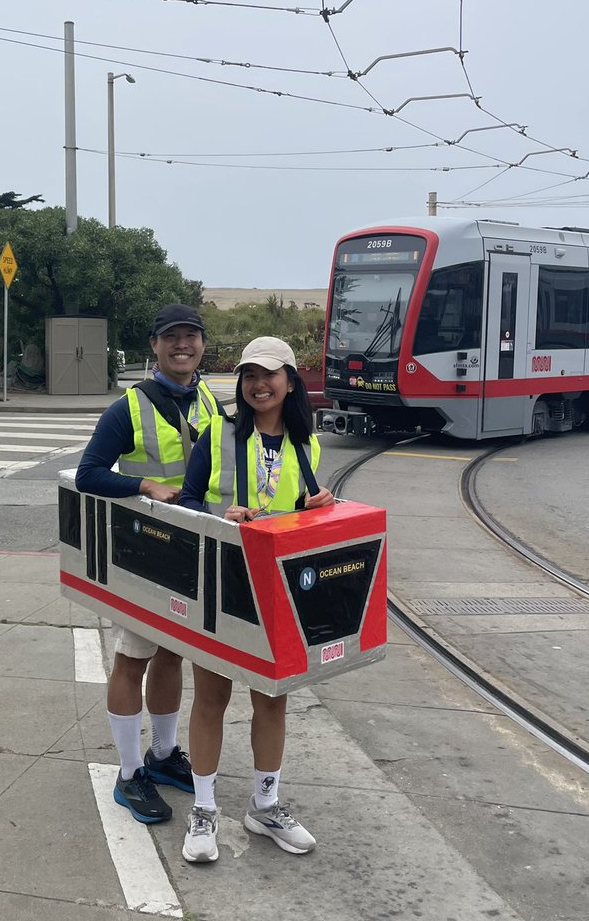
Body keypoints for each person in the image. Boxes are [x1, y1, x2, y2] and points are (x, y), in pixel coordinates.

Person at [176, 335, 335, 863]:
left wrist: (318, 510)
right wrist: (218, 517)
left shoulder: (305, 444)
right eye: (248, 375)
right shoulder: (217, 434)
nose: (257, 384)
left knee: (272, 698)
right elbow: (190, 500)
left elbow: (302, 520)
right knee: (211, 697)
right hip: (219, 582)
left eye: (268, 374)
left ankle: (264, 806)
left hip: (276, 591)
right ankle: (204, 811)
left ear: (290, 382)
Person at [75, 304, 223, 824]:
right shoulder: (128, 408)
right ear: (155, 347)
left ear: (202, 344)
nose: (182, 345)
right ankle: (129, 772)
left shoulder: (209, 399)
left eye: (191, 337)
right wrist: (143, 485)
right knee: (134, 656)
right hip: (142, 554)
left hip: (191, 551)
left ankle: (162, 756)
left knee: (171, 657)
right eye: (172, 338)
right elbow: (88, 474)